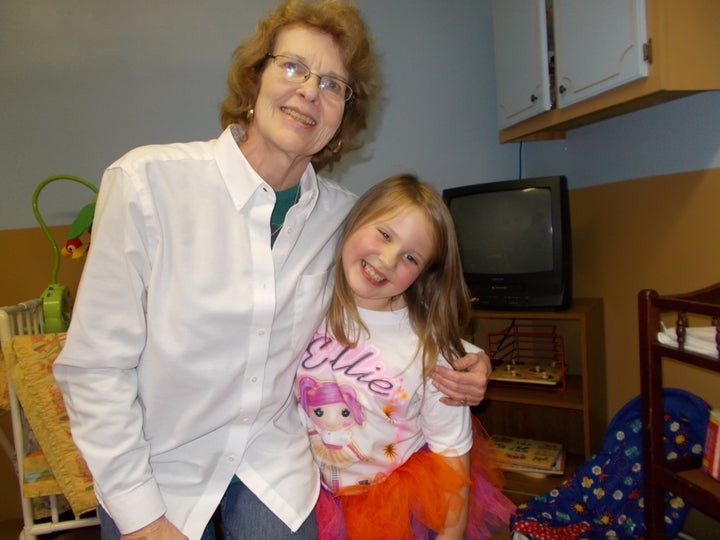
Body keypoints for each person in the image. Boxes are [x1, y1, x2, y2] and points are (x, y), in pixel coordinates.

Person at [53, 1, 491, 539]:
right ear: (255, 79)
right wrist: (141, 518)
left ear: (340, 121)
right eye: (292, 67)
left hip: (272, 462)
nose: (310, 90)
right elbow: (94, 368)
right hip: (158, 461)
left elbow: (400, 300)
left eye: (333, 84)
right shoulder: (146, 184)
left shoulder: (345, 221)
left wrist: (465, 359)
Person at [294, 174, 515, 539]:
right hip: (311, 495)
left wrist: (451, 535)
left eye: (410, 257)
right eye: (384, 234)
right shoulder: (306, 298)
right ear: (355, 219)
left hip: (395, 510)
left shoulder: (431, 351)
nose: (387, 259)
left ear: (424, 274)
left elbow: (452, 452)